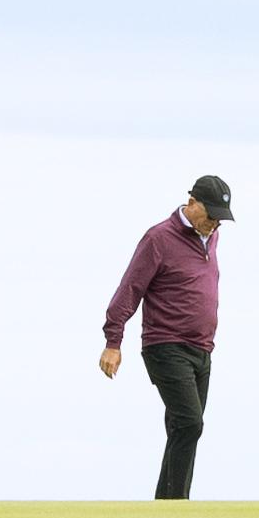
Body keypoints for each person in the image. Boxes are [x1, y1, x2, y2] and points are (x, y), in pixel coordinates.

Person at [100, 176, 231, 498]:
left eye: (220, 217)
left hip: (201, 348)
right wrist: (113, 342)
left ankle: (167, 506)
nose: (215, 223)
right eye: (210, 214)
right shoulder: (159, 238)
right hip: (165, 345)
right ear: (192, 203)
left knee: (181, 427)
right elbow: (130, 289)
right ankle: (176, 502)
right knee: (190, 424)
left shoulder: (211, 238)